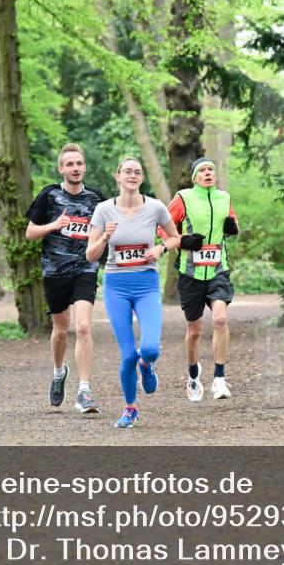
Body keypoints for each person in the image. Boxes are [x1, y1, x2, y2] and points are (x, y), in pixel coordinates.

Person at [86, 157, 181, 428]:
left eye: (137, 172)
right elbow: (89, 255)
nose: (132, 175)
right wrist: (104, 238)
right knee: (128, 354)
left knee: (149, 349)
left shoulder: (155, 207)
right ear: (117, 176)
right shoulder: (104, 210)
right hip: (116, 285)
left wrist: (161, 248)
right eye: (127, 171)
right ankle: (130, 409)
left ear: (141, 178)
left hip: (146, 284)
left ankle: (147, 365)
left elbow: (175, 237)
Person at [25, 143, 106, 414]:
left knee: (83, 327)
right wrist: (53, 226)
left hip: (85, 270)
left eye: (79, 164)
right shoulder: (49, 196)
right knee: (60, 331)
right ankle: (59, 372)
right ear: (61, 168)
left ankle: (84, 391)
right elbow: (30, 232)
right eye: (69, 164)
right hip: (55, 272)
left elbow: (108, 234)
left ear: (84, 167)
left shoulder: (97, 199)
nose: (75, 168)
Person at [163, 157, 240, 402]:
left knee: (220, 319)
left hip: (218, 269)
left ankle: (219, 378)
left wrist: (232, 226)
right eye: (202, 170)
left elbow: (233, 221)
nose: (208, 173)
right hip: (190, 272)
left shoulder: (224, 198)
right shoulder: (183, 197)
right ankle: (193, 373)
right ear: (195, 177)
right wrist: (184, 239)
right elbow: (163, 227)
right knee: (195, 330)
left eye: (211, 170)